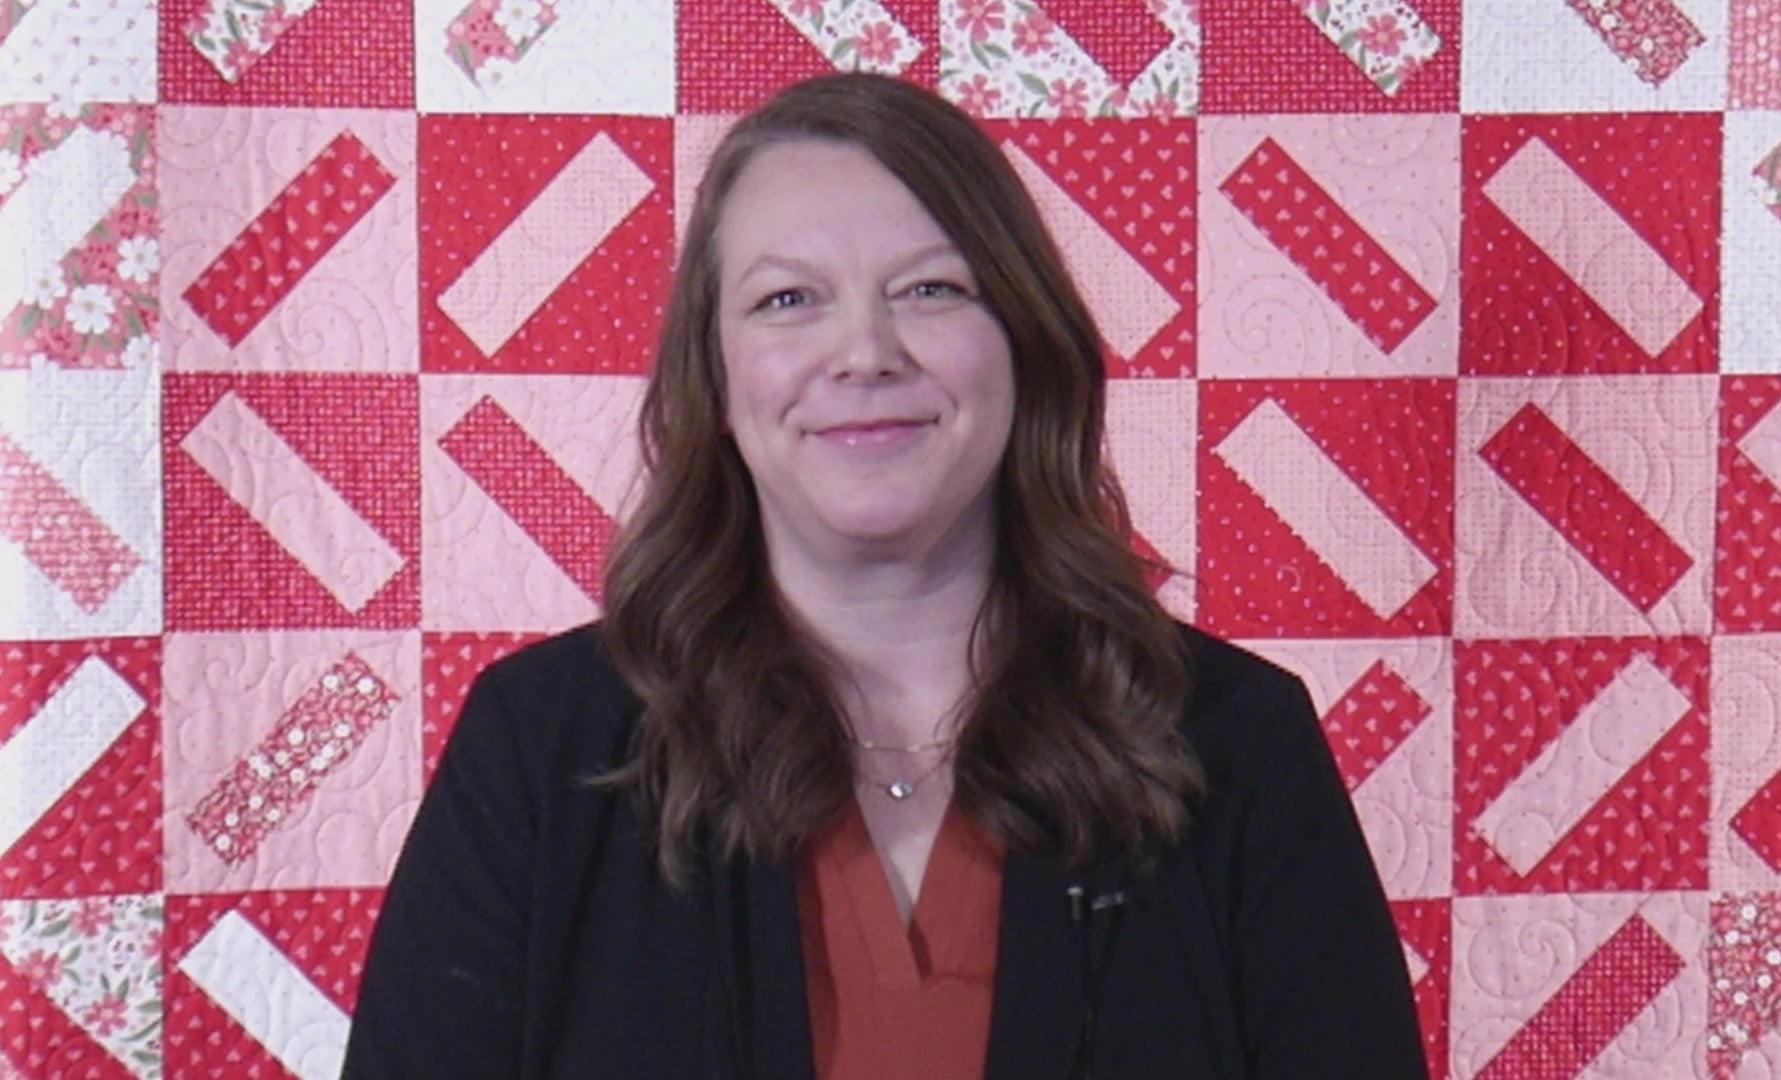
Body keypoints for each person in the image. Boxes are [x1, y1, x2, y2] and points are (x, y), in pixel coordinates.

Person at [342, 73, 1425, 1079]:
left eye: (930, 289)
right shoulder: (541, 752)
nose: (864, 352)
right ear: (714, 380)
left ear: (1026, 344)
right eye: (787, 300)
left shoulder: (1237, 746)